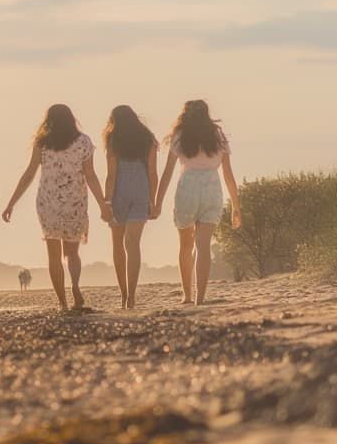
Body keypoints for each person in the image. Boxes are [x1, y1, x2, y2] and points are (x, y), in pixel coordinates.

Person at [1, 104, 110, 313]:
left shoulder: (42, 143)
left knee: (53, 255)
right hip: (75, 202)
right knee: (72, 252)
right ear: (71, 119)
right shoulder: (83, 142)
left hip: (48, 203)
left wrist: (11, 203)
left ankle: (62, 302)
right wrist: (103, 205)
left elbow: (29, 174)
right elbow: (91, 175)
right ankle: (75, 286)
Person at [153, 99, 242, 304]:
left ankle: (187, 295)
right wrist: (236, 206)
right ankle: (200, 298)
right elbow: (228, 173)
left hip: (188, 188)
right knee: (203, 246)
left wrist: (157, 203)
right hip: (212, 188)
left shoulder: (180, 136)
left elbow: (167, 173)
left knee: (185, 246)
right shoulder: (217, 136)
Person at [103, 105, 160, 310]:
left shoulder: (112, 138)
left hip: (119, 190)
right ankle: (132, 296)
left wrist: (107, 202)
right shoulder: (148, 138)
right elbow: (153, 173)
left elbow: (111, 175)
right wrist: (153, 201)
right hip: (140, 189)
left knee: (118, 245)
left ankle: (124, 294)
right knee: (133, 244)